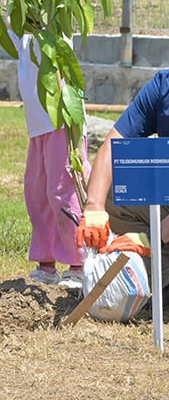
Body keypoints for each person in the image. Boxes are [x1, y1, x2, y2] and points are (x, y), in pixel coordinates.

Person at [0, 0, 88, 288]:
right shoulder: (23, 31)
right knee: (38, 193)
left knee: (63, 191)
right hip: (38, 126)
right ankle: (46, 264)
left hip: (60, 122)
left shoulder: (55, 26)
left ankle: (78, 263)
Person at [78, 69, 169, 276]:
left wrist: (152, 237)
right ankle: (160, 274)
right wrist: (94, 208)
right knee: (114, 187)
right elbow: (114, 145)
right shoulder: (163, 85)